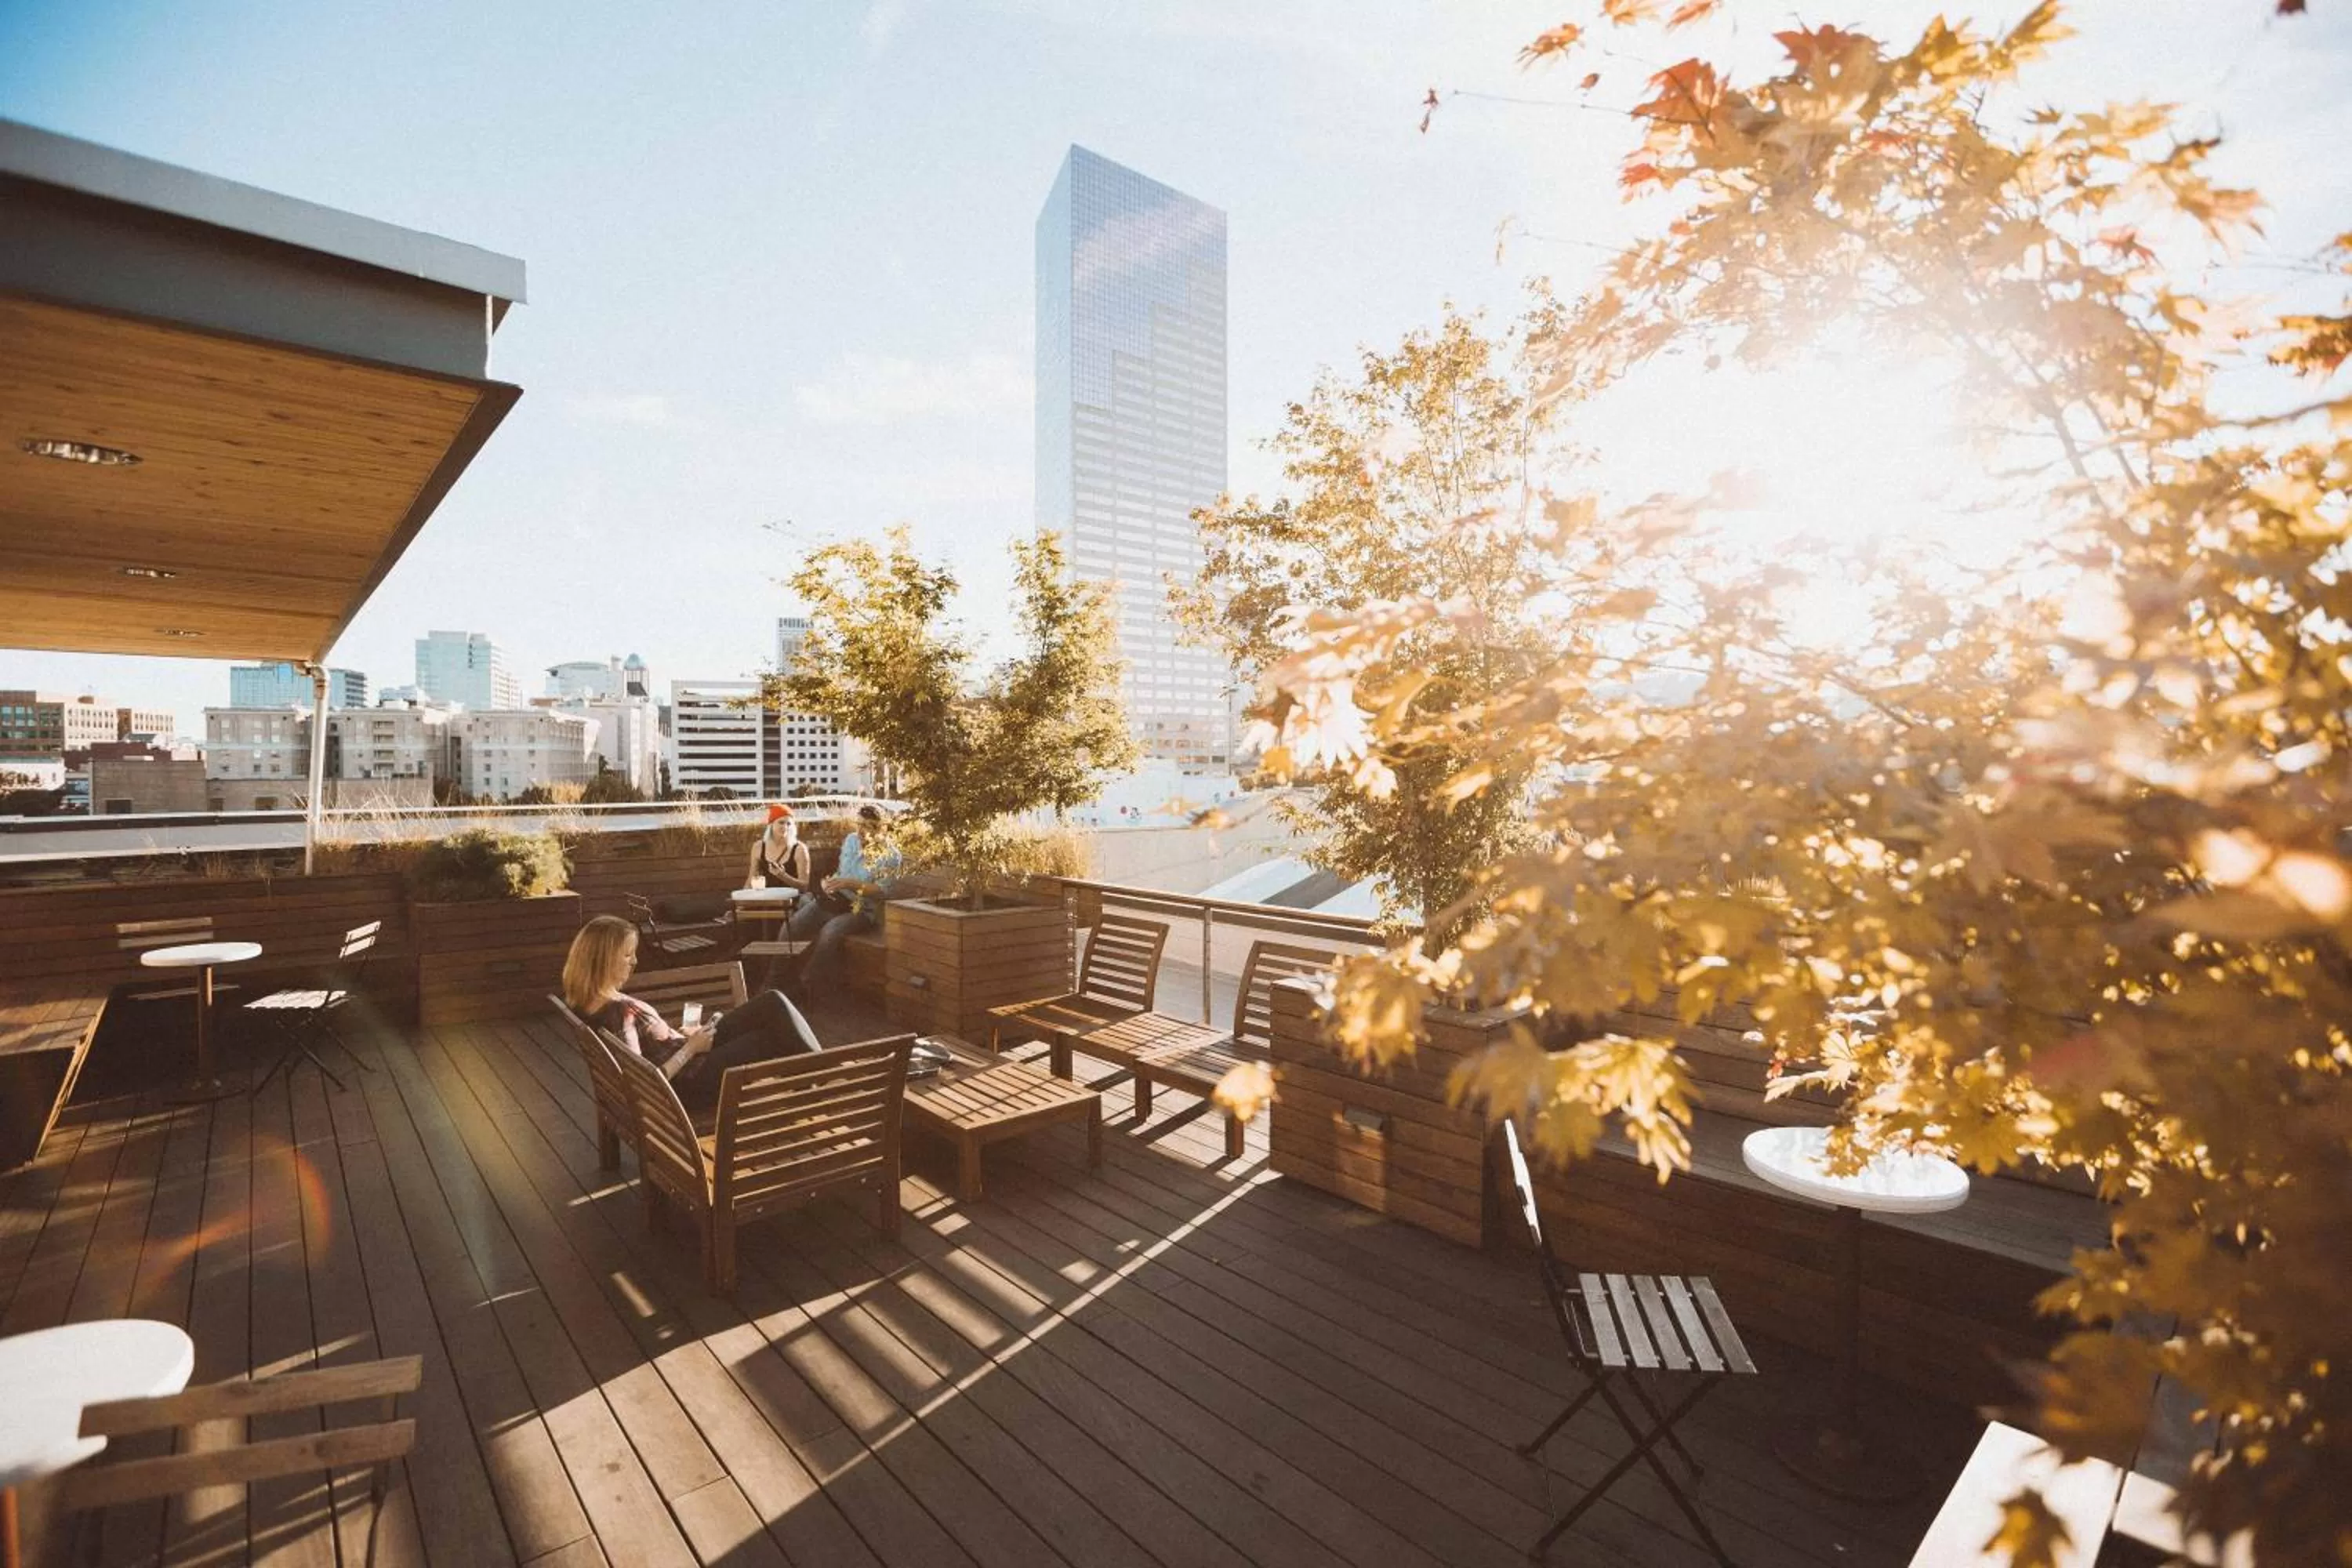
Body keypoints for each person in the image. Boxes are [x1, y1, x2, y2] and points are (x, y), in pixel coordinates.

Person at [561, 915, 822, 1113]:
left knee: (772, 1003)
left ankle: (815, 1081)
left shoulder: (587, 1002)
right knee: (769, 1037)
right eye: (627, 955)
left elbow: (643, 1053)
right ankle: (822, 1080)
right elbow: (642, 1086)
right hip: (690, 1083)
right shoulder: (616, 1014)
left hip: (689, 1056)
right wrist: (690, 1049)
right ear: (602, 959)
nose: (635, 962)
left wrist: (685, 1038)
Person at [785, 804, 902, 998]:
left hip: (862, 911)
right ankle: (775, 980)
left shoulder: (891, 856)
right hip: (836, 899)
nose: (862, 831)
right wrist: (829, 883)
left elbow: (881, 892)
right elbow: (842, 872)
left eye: (869, 826)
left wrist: (849, 883)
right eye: (860, 825)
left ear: (882, 828)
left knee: (829, 932)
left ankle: (805, 985)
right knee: (792, 926)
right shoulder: (851, 841)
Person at [743, 803, 813, 893]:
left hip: (791, 900)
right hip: (767, 899)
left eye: (789, 824)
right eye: (781, 822)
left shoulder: (799, 849)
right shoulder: (758, 847)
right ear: (771, 824)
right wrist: (741, 901)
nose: (785, 827)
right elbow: (751, 880)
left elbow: (804, 887)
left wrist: (783, 876)